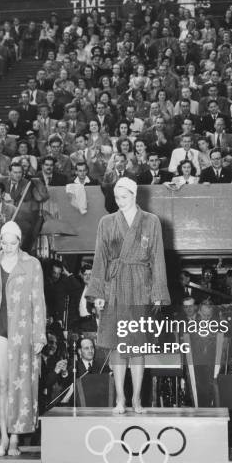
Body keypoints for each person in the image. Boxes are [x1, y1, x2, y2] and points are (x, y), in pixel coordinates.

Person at [87, 177, 170, 414]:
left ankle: (136, 399)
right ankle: (120, 399)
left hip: (140, 286)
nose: (120, 202)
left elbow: (157, 258)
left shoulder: (151, 221)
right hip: (114, 286)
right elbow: (100, 257)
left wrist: (157, 293)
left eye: (124, 197)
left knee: (138, 346)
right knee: (116, 345)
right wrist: (99, 293)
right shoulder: (106, 222)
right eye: (117, 198)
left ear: (135, 195)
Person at [0, 221, 46, 457]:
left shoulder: (32, 264)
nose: (9, 247)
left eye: (13, 243)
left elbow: (39, 302)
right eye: (5, 242)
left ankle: (15, 438)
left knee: (20, 386)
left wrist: (39, 335)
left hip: (23, 333)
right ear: (0, 241)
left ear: (20, 241)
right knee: (2, 384)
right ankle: (3, 438)